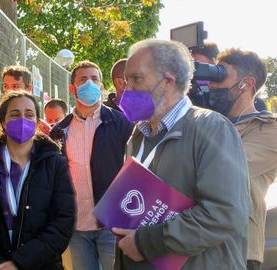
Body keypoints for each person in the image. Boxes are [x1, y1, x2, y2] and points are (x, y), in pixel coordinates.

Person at [112, 39, 249, 269]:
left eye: (136, 79)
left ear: (168, 81)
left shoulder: (212, 129)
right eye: (126, 81)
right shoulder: (139, 134)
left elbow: (224, 214)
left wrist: (147, 242)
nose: (127, 90)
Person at [0, 90, 75, 270]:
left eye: (29, 114)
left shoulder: (55, 163)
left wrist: (20, 262)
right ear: (3, 121)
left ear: (37, 122)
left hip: (40, 264)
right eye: (15, 114)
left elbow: (62, 222)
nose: (23, 120)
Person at [50, 60, 133, 270]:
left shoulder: (122, 123)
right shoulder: (59, 131)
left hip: (112, 225)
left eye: (95, 79)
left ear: (102, 86)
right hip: (76, 227)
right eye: (83, 79)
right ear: (72, 88)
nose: (89, 84)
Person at [208, 48, 277, 270]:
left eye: (220, 76)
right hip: (196, 243)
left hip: (239, 250)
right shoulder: (208, 122)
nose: (212, 85)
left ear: (246, 83)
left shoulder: (269, 128)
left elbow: (222, 170)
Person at [2, 65, 51, 134]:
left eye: (15, 86)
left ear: (28, 89)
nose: (9, 91)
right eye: (5, 86)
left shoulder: (42, 128)